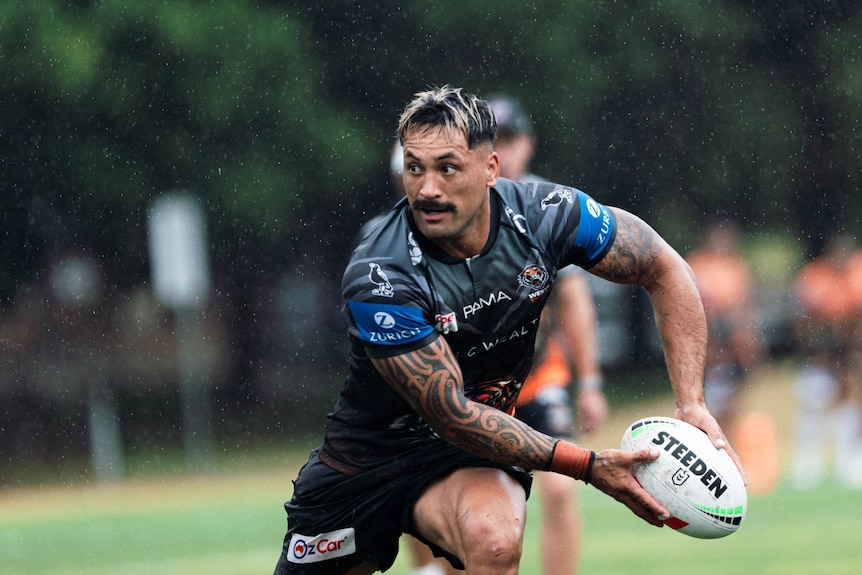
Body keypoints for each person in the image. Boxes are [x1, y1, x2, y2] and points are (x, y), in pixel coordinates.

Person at [273, 85, 742, 575]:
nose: (427, 188)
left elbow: (663, 267)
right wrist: (588, 466)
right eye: (415, 168)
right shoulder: (381, 276)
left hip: (465, 454)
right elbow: (452, 413)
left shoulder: (547, 215)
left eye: (447, 168)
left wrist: (692, 402)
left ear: (491, 168)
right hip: (365, 460)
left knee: (495, 542)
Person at [405, 94, 608, 575]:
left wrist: (590, 382)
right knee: (442, 506)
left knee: (560, 489)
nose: (507, 151)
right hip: (465, 391)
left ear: (526, 146)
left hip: (537, 379)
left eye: (513, 140)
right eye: (498, 140)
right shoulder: (441, 212)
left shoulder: (547, 210)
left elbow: (574, 302)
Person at [790, 235, 862, 489]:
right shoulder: (815, 277)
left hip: (847, 351)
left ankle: (849, 458)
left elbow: (855, 316)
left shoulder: (856, 274)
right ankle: (807, 460)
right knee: (812, 404)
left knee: (849, 404)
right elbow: (804, 318)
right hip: (818, 352)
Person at [685, 220, 764, 432]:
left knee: (736, 389)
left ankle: (726, 428)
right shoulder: (698, 264)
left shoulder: (736, 267)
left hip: (734, 335)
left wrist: (749, 338)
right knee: (712, 385)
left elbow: (745, 303)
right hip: (709, 331)